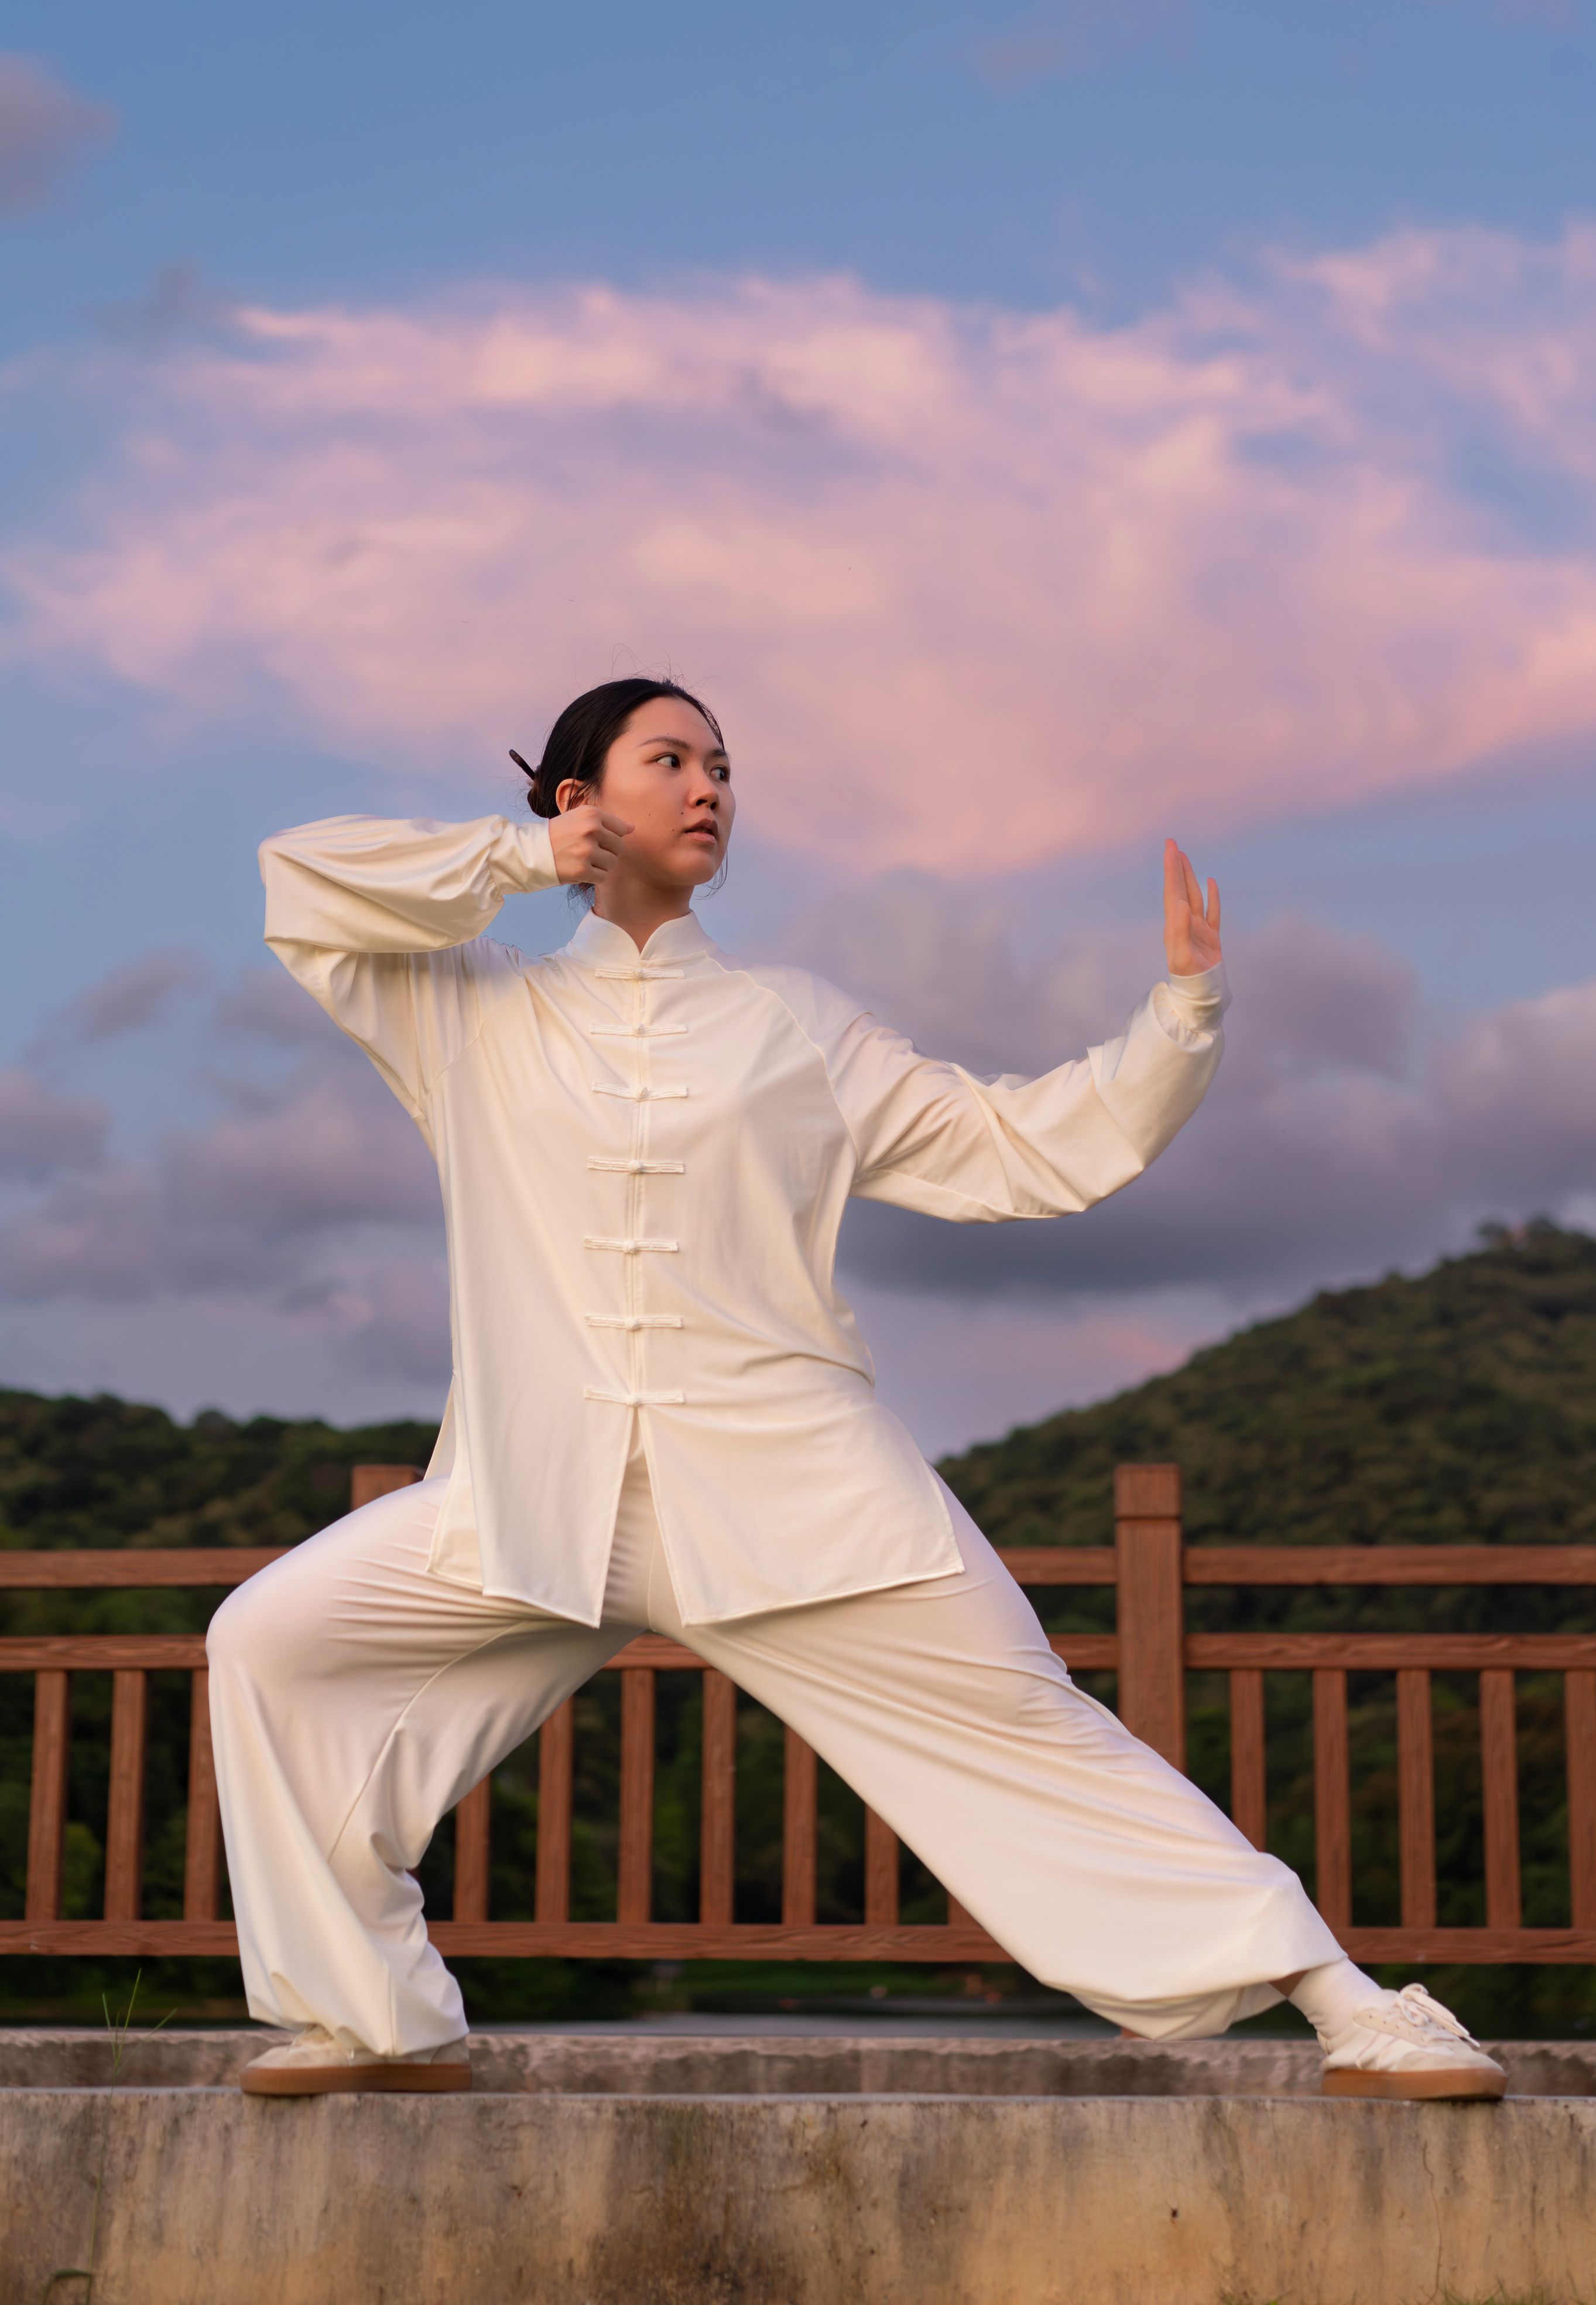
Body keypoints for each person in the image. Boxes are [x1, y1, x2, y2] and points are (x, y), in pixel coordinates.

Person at [210, 676, 1505, 2102]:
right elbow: (302, 886)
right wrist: (515, 861)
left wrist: (1180, 1015)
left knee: (1032, 1732)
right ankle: (372, 2022)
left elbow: (1016, 1149)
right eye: (670, 761)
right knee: (273, 1644)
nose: (710, 787)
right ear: (579, 798)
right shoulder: (465, 1010)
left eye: (722, 767)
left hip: (798, 1495)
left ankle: (1352, 2003)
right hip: (530, 1506)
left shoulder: (796, 1024)